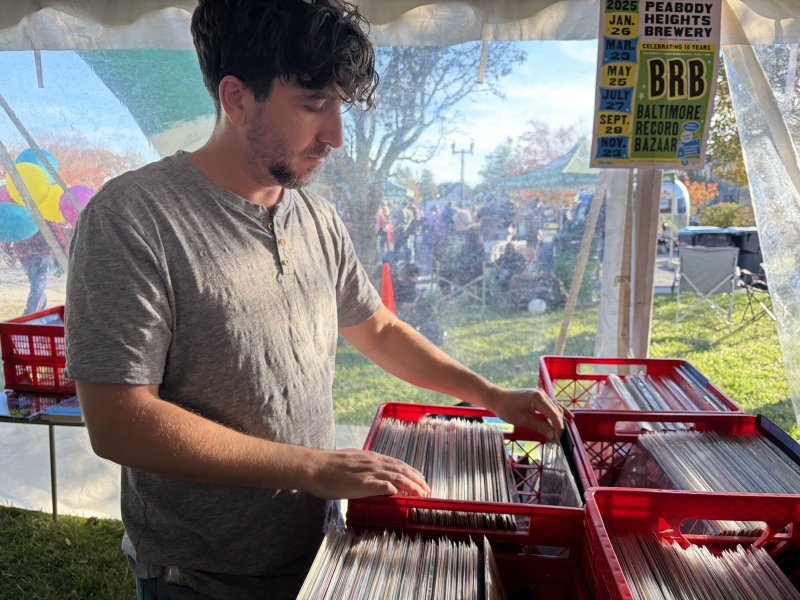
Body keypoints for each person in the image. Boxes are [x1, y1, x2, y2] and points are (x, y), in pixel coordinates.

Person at [65, 2, 564, 599]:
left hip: (317, 546)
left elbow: (375, 328)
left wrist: (490, 395)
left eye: (339, 105)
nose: (334, 136)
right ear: (236, 99)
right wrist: (312, 467)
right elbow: (120, 423)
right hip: (201, 574)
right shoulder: (133, 217)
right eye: (312, 105)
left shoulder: (314, 216)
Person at [12, 231, 55, 315]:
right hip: (39, 253)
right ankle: (35, 314)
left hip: (32, 255)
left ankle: (32, 313)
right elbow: (54, 228)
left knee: (37, 287)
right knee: (38, 287)